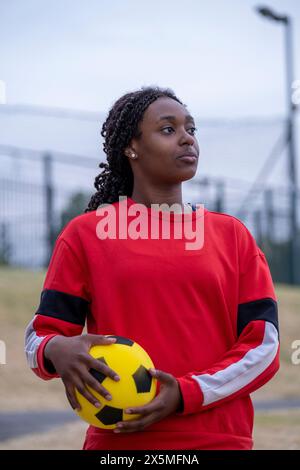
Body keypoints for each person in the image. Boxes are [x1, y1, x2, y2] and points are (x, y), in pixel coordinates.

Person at [25, 86, 279, 450]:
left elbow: (264, 347)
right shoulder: (87, 234)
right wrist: (57, 350)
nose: (187, 138)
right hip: (118, 447)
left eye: (190, 129)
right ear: (132, 147)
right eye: (168, 129)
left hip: (218, 440)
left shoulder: (232, 235)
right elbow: (39, 336)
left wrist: (187, 393)